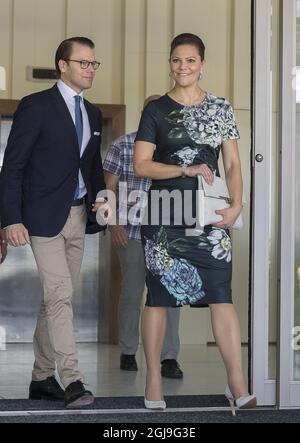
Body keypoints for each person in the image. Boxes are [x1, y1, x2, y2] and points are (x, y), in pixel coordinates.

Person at [134, 33, 257, 413]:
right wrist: (184, 167)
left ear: (202, 64)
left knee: (221, 294)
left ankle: (237, 383)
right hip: (164, 212)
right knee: (158, 297)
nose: (182, 67)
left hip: (209, 215)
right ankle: (154, 377)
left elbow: (234, 164)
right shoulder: (155, 110)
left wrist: (237, 205)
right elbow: (142, 164)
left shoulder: (221, 108)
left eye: (190, 60)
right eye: (176, 60)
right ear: (169, 64)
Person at [0, 36, 109, 408]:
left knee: (56, 300)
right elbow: (12, 167)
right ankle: (73, 379)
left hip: (79, 214)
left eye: (93, 63)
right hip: (42, 218)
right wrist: (10, 219)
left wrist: (101, 199)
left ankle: (41, 378)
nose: (90, 69)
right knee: (60, 295)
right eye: (83, 63)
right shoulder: (36, 106)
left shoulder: (93, 114)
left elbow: (91, 165)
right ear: (63, 65)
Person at [103, 96, 183, 379]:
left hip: (167, 234)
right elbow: (106, 189)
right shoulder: (123, 145)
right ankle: (128, 351)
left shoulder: (176, 149)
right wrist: (113, 225)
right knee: (133, 292)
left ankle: (169, 358)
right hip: (132, 231)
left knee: (169, 295)